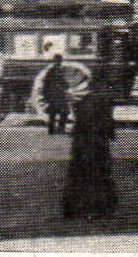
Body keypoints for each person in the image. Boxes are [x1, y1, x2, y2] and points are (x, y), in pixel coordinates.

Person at [62, 73, 118, 221]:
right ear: (101, 86)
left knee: (79, 174)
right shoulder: (102, 101)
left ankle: (73, 208)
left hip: (82, 143)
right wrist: (108, 134)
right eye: (106, 86)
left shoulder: (84, 101)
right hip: (94, 143)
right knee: (97, 175)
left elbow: (78, 123)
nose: (108, 89)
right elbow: (106, 124)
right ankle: (97, 208)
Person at [42, 54, 71, 135]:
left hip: (59, 95)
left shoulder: (59, 70)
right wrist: (46, 95)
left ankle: (59, 128)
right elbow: (46, 83)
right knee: (54, 112)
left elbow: (62, 82)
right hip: (54, 95)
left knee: (63, 111)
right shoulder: (51, 71)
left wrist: (66, 85)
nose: (58, 62)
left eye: (59, 61)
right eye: (56, 61)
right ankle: (54, 129)